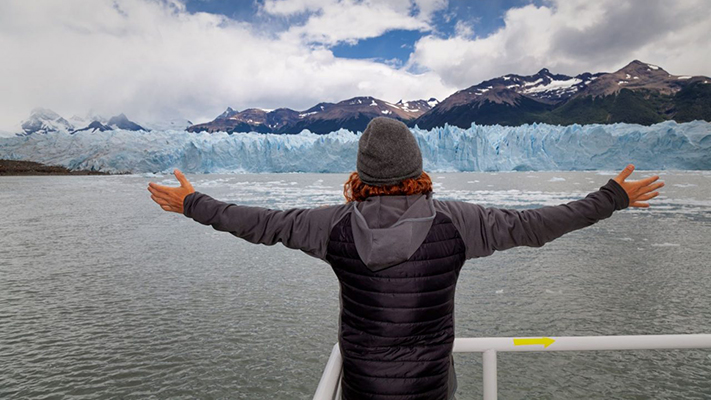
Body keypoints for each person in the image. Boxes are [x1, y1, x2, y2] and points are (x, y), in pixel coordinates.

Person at [147, 116, 664, 400]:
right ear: (417, 166)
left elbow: (260, 223)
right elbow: (537, 225)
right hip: (430, 388)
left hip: (365, 390)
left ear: (361, 175)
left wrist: (192, 203)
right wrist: (612, 197)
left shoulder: (330, 225)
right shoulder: (460, 222)